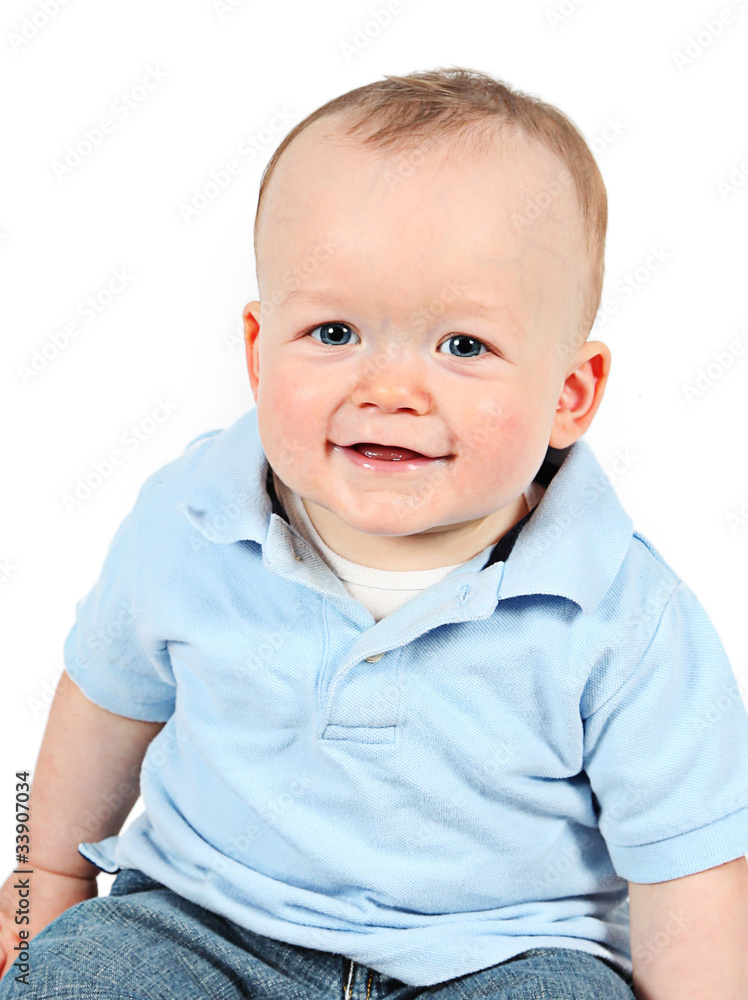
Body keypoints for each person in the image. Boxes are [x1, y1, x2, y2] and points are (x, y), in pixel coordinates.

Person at [2, 66, 747, 1000]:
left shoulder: (625, 621)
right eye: (334, 331)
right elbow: (103, 703)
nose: (389, 389)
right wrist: (46, 878)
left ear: (569, 394)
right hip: (203, 921)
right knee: (70, 975)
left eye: (463, 346)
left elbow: (692, 874)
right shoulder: (191, 520)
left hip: (497, 955)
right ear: (256, 352)